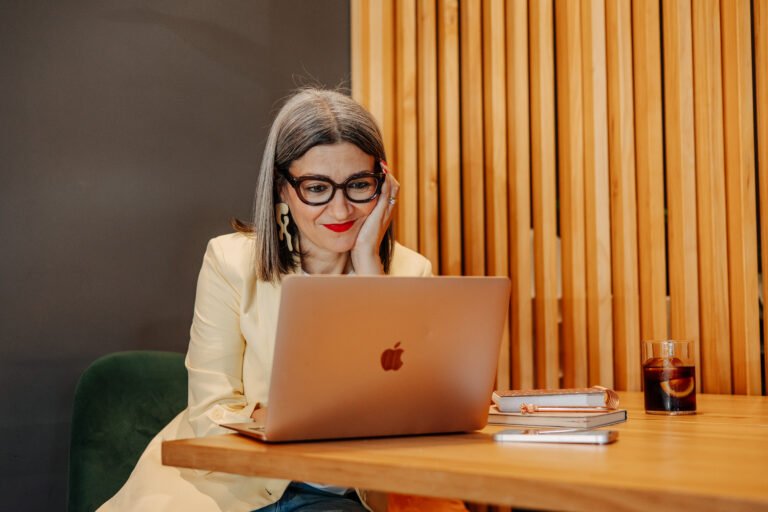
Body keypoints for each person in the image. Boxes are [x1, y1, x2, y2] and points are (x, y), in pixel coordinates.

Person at [98, 88, 468, 511]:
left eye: (359, 185)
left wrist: (369, 268)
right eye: (316, 188)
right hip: (234, 490)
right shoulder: (231, 261)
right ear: (282, 189)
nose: (341, 209)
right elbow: (210, 414)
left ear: (383, 187)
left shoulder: (409, 272)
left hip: (356, 493)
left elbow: (414, 423)